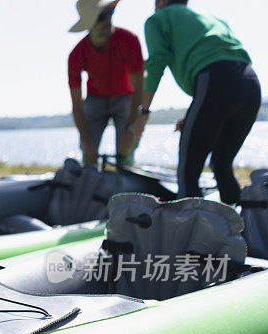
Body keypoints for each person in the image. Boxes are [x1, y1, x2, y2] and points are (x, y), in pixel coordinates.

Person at [129, 0, 260, 205]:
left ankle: (190, 234)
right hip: (251, 83)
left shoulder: (157, 19)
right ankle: (240, 231)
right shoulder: (211, 18)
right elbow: (222, 70)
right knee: (221, 164)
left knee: (187, 173)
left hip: (216, 82)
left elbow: (157, 62)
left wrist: (143, 113)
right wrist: (194, 115)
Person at [68, 0, 144, 167]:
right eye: (101, 16)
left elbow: (139, 87)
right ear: (89, 24)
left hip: (126, 98)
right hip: (95, 99)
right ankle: (89, 175)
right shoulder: (76, 55)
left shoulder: (129, 40)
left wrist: (130, 129)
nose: (108, 20)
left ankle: (126, 174)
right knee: (88, 152)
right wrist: (87, 142)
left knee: (126, 148)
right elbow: (77, 104)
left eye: (110, 13)